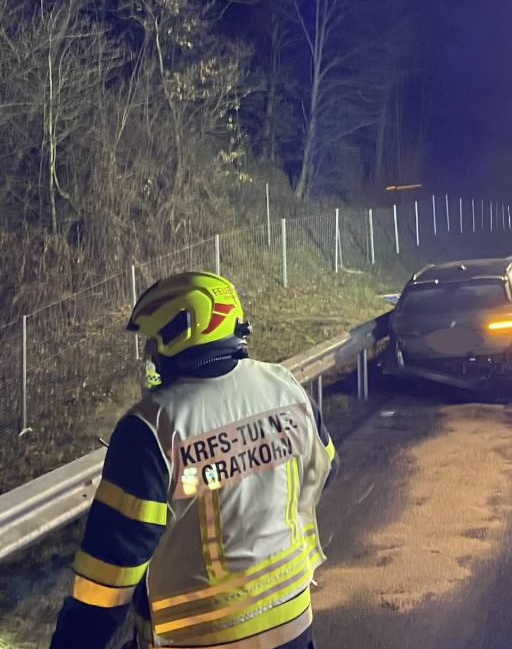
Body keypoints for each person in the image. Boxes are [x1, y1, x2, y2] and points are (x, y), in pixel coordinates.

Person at [50, 272, 338, 649]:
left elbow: (106, 579)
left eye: (154, 341)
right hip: (292, 627)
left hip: (197, 639)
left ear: (180, 334)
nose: (151, 353)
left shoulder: (152, 429)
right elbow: (326, 470)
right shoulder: (285, 387)